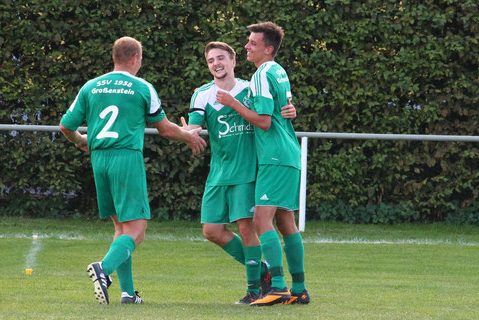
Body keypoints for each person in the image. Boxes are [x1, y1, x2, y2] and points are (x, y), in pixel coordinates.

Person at [59, 36, 206, 305]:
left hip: (99, 159)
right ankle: (103, 268)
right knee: (137, 230)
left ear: (114, 57)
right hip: (125, 158)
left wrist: (81, 140)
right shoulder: (141, 87)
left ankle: (128, 294)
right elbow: (164, 128)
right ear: (136, 58)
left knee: (121, 227)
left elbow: (65, 126)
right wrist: (188, 135)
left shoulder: (90, 86)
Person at [181, 41, 297, 304]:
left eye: (221, 58)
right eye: (211, 60)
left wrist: (290, 110)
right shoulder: (202, 94)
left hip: (247, 171)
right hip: (219, 172)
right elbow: (194, 127)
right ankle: (263, 271)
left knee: (246, 228)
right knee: (211, 231)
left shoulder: (250, 88)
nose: (216, 64)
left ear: (233, 61)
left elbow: (275, 114)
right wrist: (186, 134)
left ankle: (254, 290)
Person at [216, 22, 310, 306]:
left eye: (252, 43)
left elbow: (265, 121)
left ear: (268, 49)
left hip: (274, 156)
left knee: (261, 220)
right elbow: (285, 111)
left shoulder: (261, 74)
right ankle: (300, 289)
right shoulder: (279, 71)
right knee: (285, 221)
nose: (246, 46)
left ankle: (278, 288)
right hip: (288, 153)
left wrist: (233, 104)